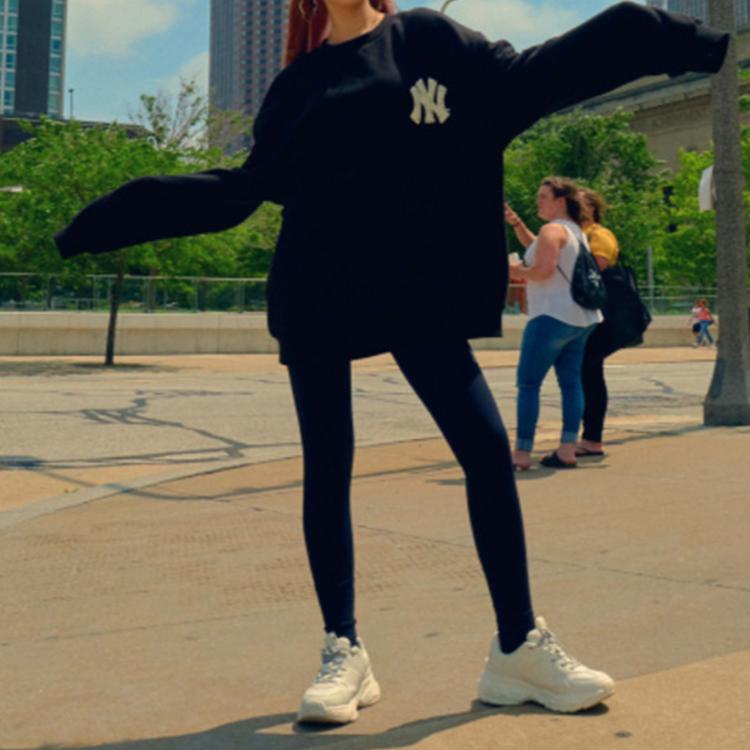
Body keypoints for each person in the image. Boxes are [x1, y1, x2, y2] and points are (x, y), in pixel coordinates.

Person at [53, 0, 729, 724]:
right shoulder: (298, 84)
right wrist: (108, 219)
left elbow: (532, 78)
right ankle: (343, 650)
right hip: (319, 292)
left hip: (417, 293)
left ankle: (517, 648)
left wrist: (658, 34)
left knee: (485, 453)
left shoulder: (426, 40)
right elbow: (243, 190)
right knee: (328, 468)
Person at [506, 178, 602, 470]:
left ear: (560, 201)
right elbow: (538, 248)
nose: (538, 201)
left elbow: (543, 270)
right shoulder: (576, 231)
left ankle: (522, 453)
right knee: (571, 383)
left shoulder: (552, 229)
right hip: (581, 319)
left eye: (543, 196)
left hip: (551, 316)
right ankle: (567, 448)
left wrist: (515, 271)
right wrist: (516, 223)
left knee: (528, 383)